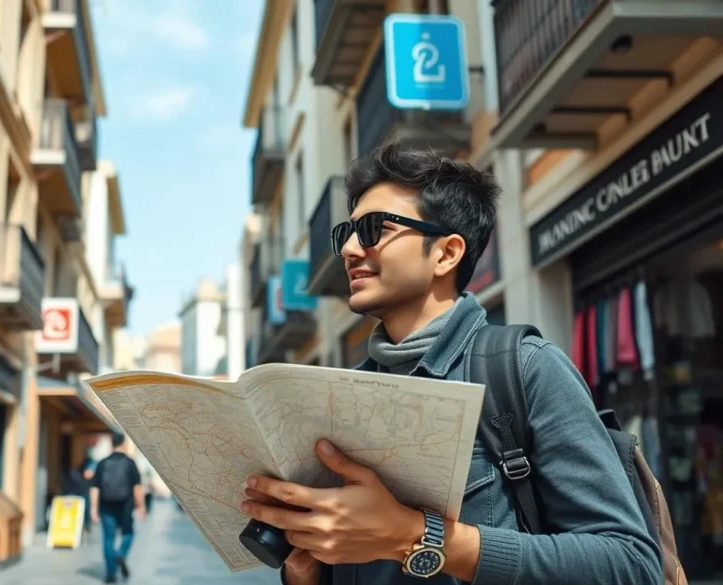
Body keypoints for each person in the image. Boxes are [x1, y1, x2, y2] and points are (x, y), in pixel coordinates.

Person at [239, 142, 663, 585]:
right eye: (345, 233)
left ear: (446, 252)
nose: (347, 248)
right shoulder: (339, 394)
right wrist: (304, 569)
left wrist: (415, 537)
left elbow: (630, 564)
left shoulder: (524, 369)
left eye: (371, 229)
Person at [90, 434, 146, 583]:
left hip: (106, 506)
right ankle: (120, 555)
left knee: (109, 538)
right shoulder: (130, 463)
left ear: (111, 445)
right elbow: (137, 488)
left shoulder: (102, 463)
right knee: (128, 533)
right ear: (124, 444)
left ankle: (110, 574)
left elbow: (94, 488)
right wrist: (141, 506)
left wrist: (93, 509)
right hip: (125, 506)